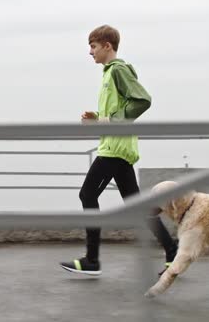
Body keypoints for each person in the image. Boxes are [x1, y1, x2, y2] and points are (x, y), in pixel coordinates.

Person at [60, 25, 178, 276]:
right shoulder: (108, 74)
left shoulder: (118, 70)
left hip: (115, 148)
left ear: (107, 46)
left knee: (87, 195)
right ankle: (173, 250)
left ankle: (92, 260)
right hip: (116, 145)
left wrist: (111, 121)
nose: (90, 52)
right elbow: (118, 110)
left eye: (93, 46)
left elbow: (143, 99)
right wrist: (98, 117)